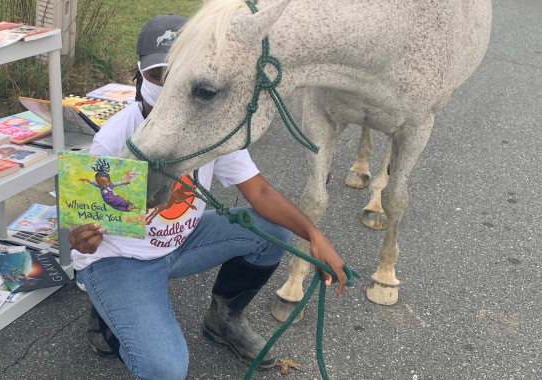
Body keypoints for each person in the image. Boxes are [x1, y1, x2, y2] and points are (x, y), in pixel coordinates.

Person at [69, 14, 348, 380]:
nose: (167, 87)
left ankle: (223, 319)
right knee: (166, 369)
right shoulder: (113, 137)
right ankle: (109, 306)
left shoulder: (208, 125)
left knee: (272, 232)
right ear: (138, 76)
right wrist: (81, 238)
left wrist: (314, 235)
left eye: (177, 75)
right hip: (124, 257)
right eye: (156, 76)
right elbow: (81, 220)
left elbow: (259, 191)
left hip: (181, 243)